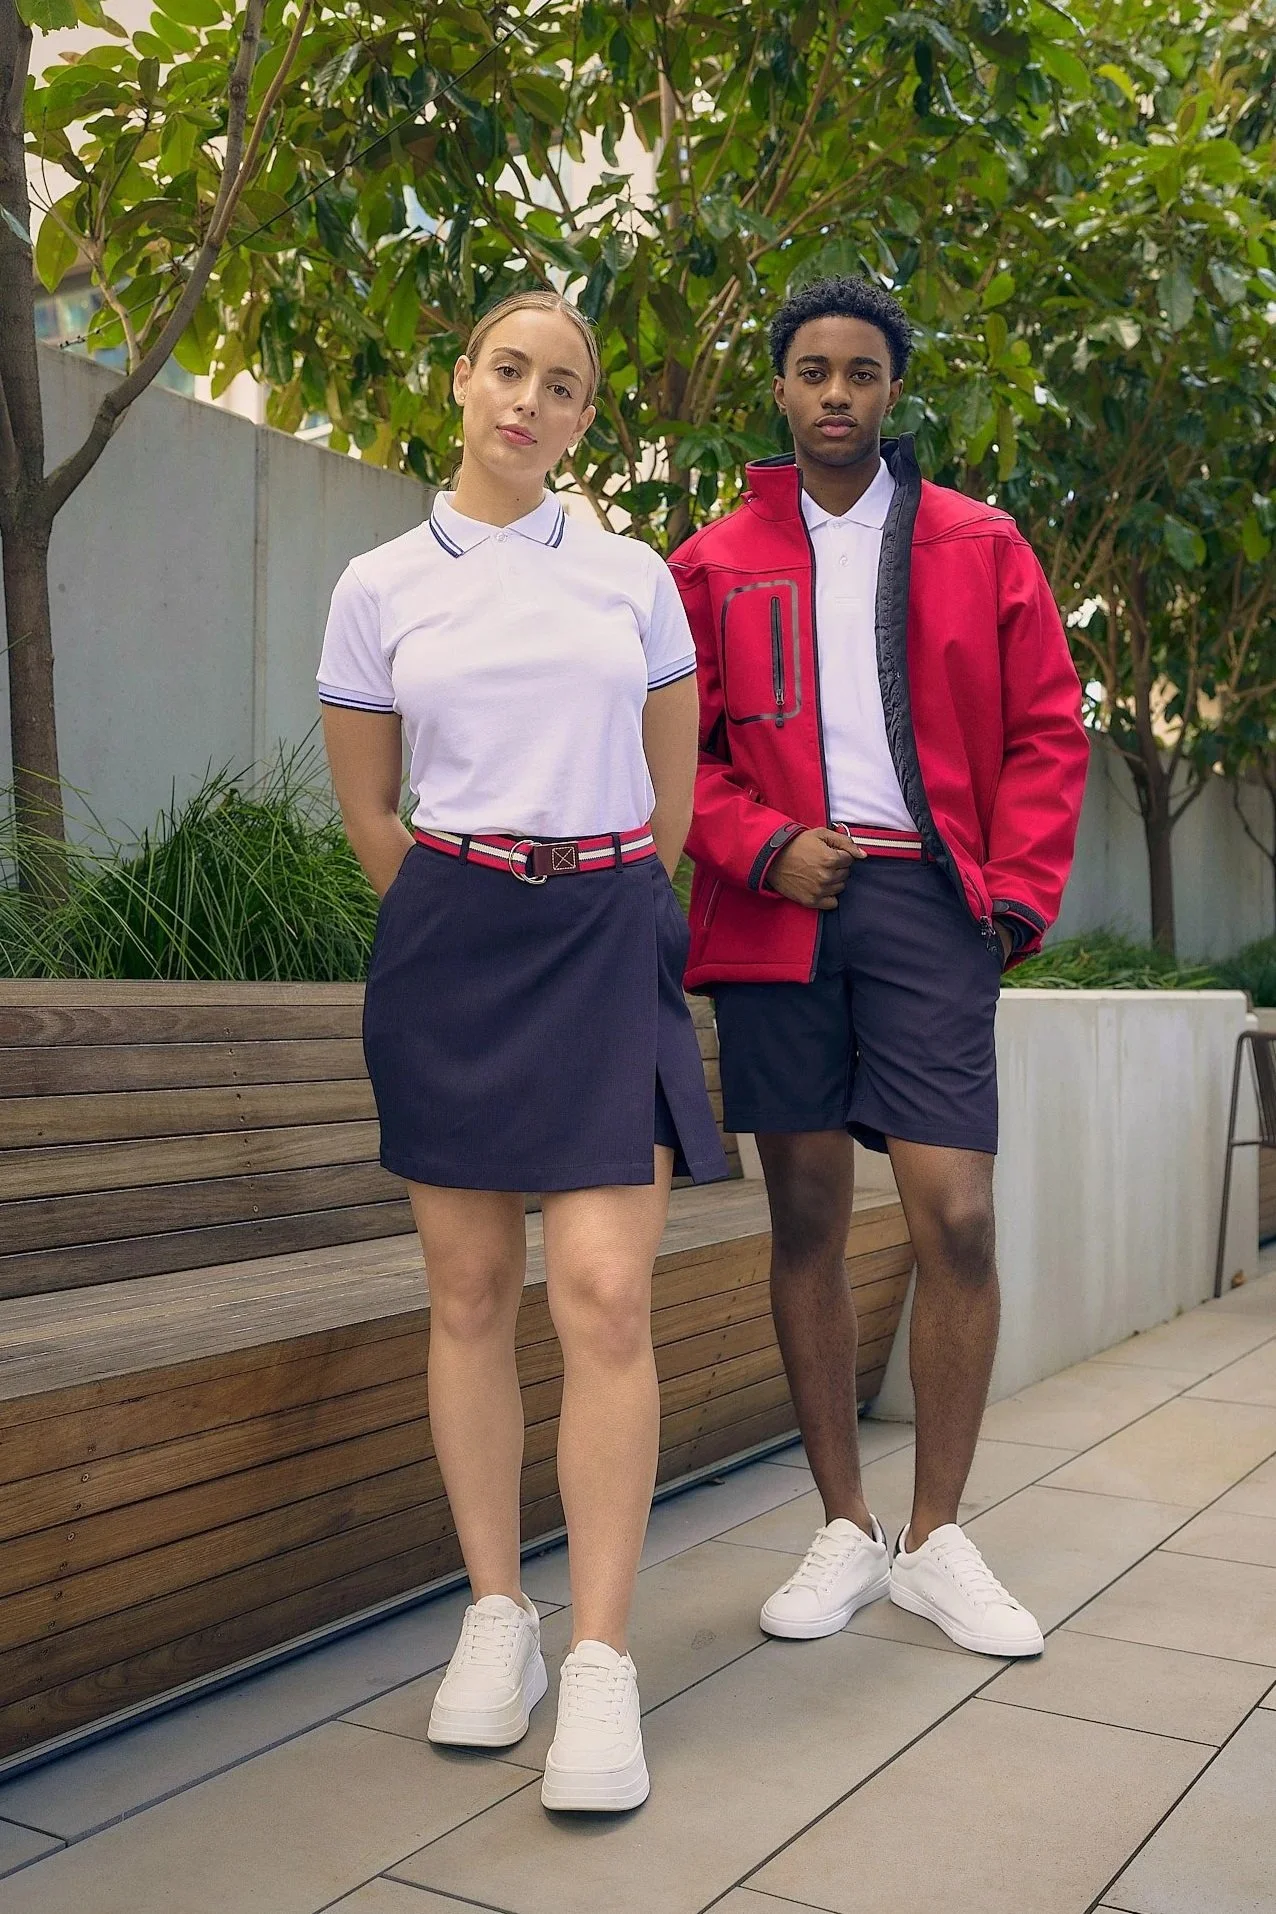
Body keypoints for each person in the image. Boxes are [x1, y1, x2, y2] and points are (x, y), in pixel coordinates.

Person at [318, 289, 727, 1812]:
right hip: (453, 943)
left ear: (580, 418)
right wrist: (459, 909)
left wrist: (609, 894)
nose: (530, 401)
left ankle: (604, 1659)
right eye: (510, 368)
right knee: (473, 1288)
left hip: (609, 927)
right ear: (462, 379)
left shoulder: (630, 577)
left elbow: (674, 790)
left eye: (562, 385)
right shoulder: (378, 582)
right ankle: (500, 1614)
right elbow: (372, 812)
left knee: (607, 1294)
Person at [671, 276, 1088, 1658]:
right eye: (811, 370)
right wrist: (759, 842)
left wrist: (1010, 900)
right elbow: (685, 757)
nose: (835, 392)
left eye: (860, 371)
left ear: (891, 393)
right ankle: (846, 1525)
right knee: (804, 1214)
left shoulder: (982, 544)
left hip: (926, 903)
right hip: (781, 904)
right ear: (780, 390)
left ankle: (941, 1537)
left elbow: (1047, 731)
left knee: (952, 1212)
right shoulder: (713, 559)